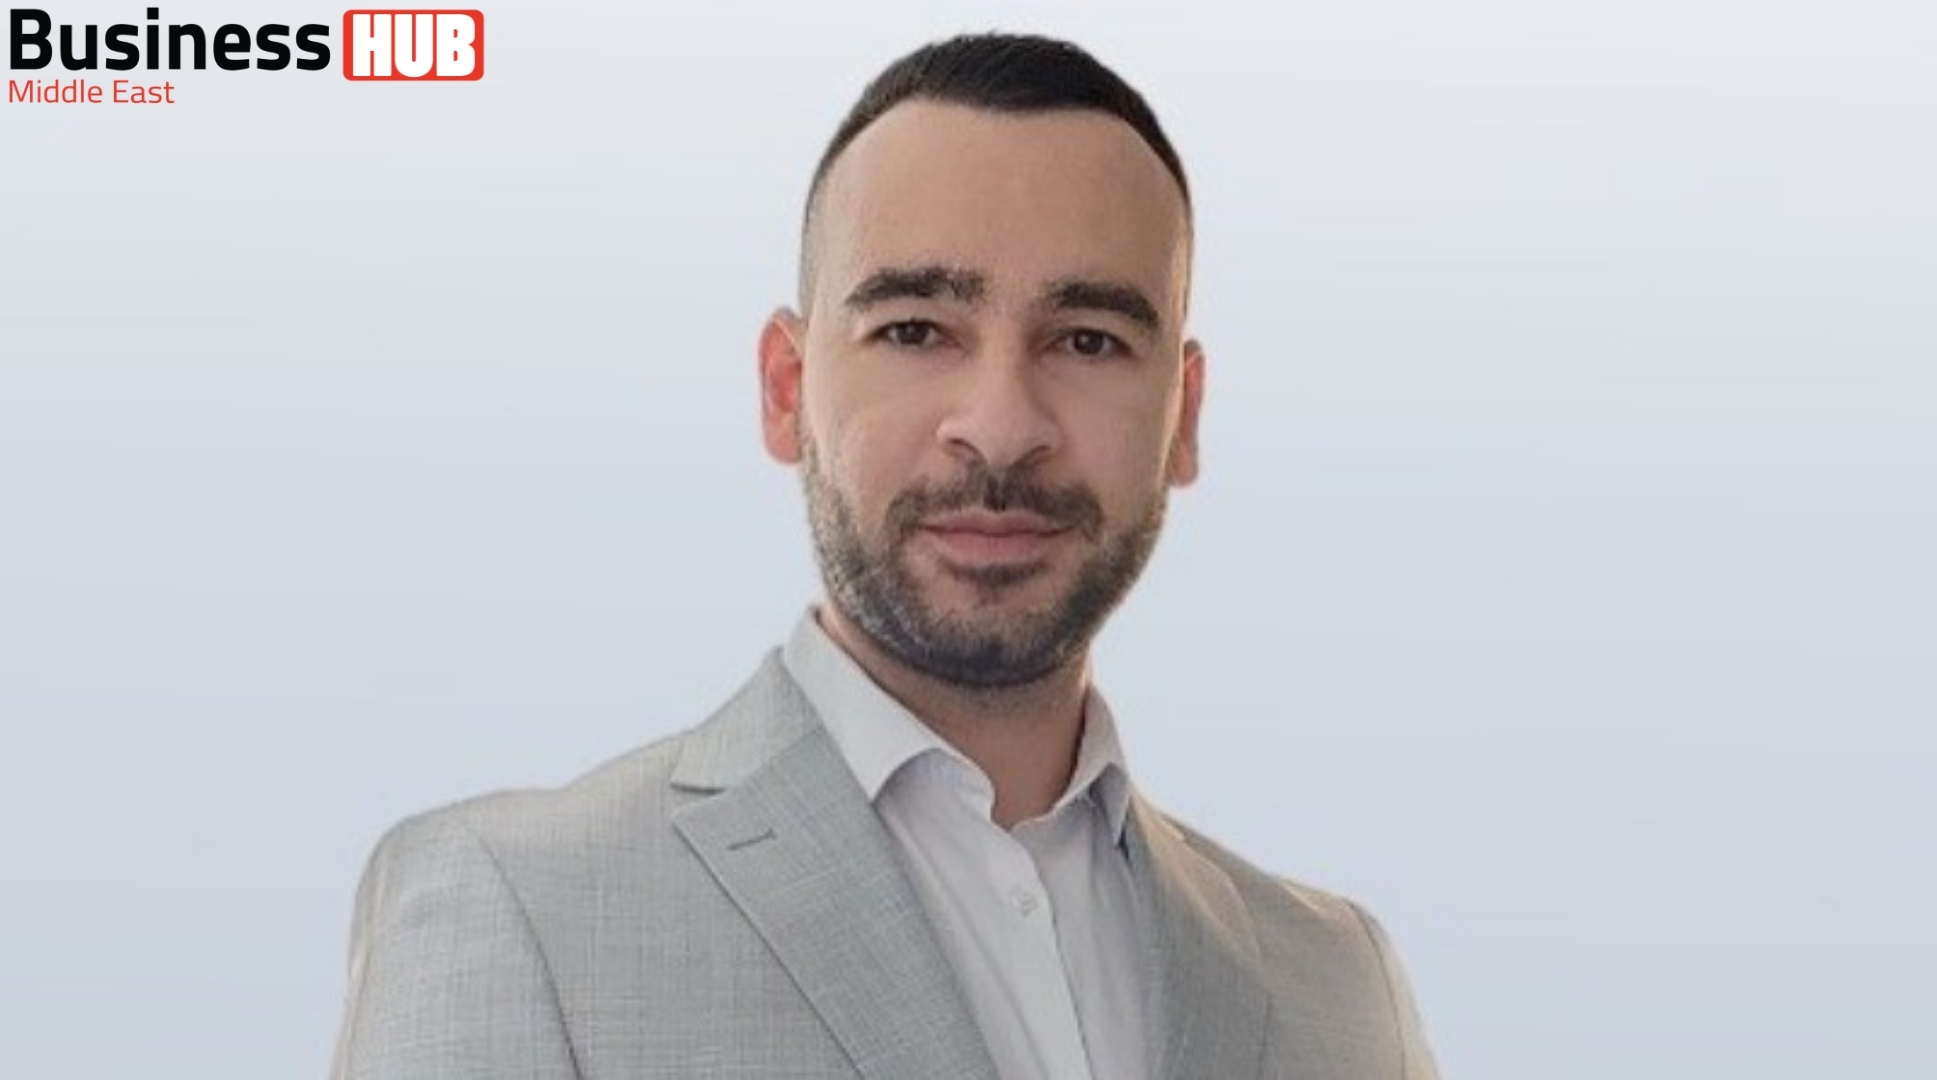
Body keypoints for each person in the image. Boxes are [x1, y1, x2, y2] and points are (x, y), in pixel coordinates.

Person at [331, 32, 1438, 1080]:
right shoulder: (517, 908)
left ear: (1181, 417)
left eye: (1087, 340)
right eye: (914, 329)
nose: (1000, 426)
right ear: (785, 391)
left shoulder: (1336, 984)